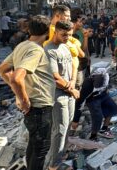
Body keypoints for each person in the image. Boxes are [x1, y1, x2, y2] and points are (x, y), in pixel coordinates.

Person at [0, 15, 54, 170]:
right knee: (41, 148)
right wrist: (23, 99)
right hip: (39, 106)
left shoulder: (23, 46)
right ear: (48, 31)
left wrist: (20, 94)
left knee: (34, 146)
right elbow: (16, 77)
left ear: (29, 30)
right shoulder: (35, 50)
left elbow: (2, 70)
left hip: (34, 107)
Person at [45, 21, 80, 168]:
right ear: (56, 31)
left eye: (69, 35)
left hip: (69, 91)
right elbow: (55, 77)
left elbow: (73, 64)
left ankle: (62, 155)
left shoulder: (65, 47)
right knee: (59, 129)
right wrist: (70, 88)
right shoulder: (49, 50)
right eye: (64, 34)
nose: (67, 37)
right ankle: (54, 165)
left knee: (68, 125)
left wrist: (73, 80)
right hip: (57, 94)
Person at [72, 67, 117, 140]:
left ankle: (104, 129)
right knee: (98, 116)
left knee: (112, 107)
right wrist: (75, 120)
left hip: (102, 95)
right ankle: (93, 136)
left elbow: (105, 88)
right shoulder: (87, 85)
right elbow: (80, 102)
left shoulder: (106, 77)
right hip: (92, 99)